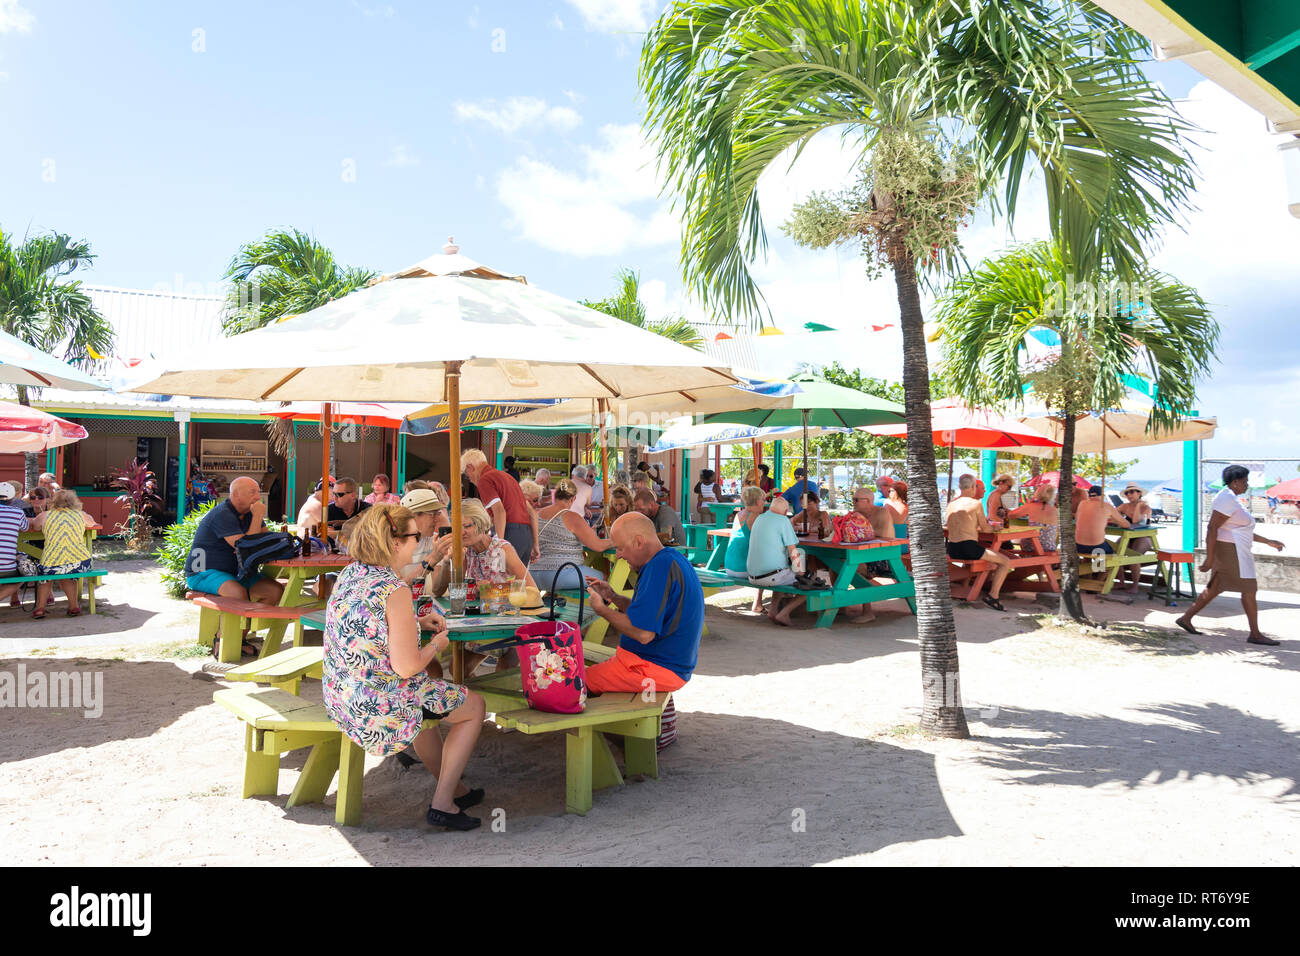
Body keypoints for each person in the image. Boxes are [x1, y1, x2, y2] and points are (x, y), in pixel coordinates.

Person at [321, 505, 486, 831]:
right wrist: (436, 645)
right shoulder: (393, 589)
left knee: (433, 698)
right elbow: (408, 666)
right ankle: (443, 804)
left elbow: (372, 624)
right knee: (474, 706)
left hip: (343, 695)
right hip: (380, 706)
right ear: (394, 543)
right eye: (414, 535)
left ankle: (456, 789)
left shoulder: (352, 573)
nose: (420, 540)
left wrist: (416, 622)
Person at [584, 512, 704, 697]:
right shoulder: (668, 559)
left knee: (572, 683)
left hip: (655, 669)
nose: (618, 555)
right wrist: (614, 597)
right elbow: (648, 614)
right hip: (659, 664)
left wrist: (601, 610)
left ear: (639, 542)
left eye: (620, 548)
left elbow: (643, 633)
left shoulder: (659, 568)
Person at [1176, 464, 1285, 645]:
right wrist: (1210, 558)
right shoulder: (1226, 499)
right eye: (1244, 481)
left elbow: (1241, 530)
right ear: (1234, 482)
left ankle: (1186, 618)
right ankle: (1255, 634)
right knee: (1249, 590)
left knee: (1215, 587)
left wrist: (1268, 541)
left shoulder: (1230, 498)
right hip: (1231, 551)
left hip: (1236, 549)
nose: (1247, 485)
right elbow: (1212, 528)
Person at [184, 476, 285, 609]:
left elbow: (264, 541)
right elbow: (248, 548)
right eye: (252, 492)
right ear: (236, 494)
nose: (257, 497)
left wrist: (248, 544)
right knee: (237, 593)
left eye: (258, 492)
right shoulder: (222, 514)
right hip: (203, 572)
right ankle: (232, 629)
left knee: (273, 591)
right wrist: (256, 520)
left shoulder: (250, 513)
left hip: (236, 573)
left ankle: (246, 625)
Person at [427, 499, 537, 597]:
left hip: (505, 614)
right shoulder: (466, 551)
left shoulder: (502, 550)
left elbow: (532, 590)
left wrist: (493, 589)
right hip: (479, 614)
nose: (461, 532)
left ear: (482, 524)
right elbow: (447, 591)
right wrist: (446, 562)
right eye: (457, 527)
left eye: (467, 526)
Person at [945, 474, 1012, 611]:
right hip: (969, 548)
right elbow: (986, 528)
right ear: (973, 487)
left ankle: (979, 586)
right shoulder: (975, 504)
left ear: (960, 487)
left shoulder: (951, 504)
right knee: (1005, 561)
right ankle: (993, 596)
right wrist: (994, 527)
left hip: (951, 548)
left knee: (991, 560)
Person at [529, 479, 610, 591]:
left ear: (555, 496)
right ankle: (602, 608)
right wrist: (616, 540)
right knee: (605, 579)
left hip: (533, 574)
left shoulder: (538, 514)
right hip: (559, 575)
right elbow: (598, 546)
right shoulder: (572, 517)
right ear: (573, 498)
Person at [461, 449, 538, 564]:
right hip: (526, 536)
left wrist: (499, 544)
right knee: (519, 581)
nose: (470, 480)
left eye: (467, 475)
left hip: (509, 532)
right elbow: (532, 512)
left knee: (501, 580)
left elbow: (499, 511)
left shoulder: (485, 479)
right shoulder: (507, 477)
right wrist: (535, 544)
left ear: (470, 467)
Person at [28, 489, 95, 618]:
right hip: (80, 561)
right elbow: (91, 522)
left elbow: (36, 526)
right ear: (74, 502)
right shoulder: (80, 514)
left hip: (51, 561)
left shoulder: (45, 515)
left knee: (45, 578)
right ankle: (73, 606)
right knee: (69, 575)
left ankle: (40, 608)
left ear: (53, 501)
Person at [746, 496, 807, 625]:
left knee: (783, 573)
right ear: (785, 512)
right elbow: (793, 552)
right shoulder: (783, 520)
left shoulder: (760, 518)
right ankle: (784, 613)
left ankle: (773, 611)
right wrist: (801, 575)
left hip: (752, 576)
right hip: (772, 576)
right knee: (808, 586)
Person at [396, 489, 451, 586]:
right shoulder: (390, 544)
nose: (437, 519)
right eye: (432, 514)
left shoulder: (433, 541)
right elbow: (399, 587)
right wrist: (432, 558)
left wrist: (446, 562)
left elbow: (437, 590)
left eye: (437, 513)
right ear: (412, 516)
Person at [1117, 482, 1155, 590]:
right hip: (1128, 536)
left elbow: (1136, 520)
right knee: (1114, 553)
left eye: (1132, 492)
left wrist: (1138, 506)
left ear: (1139, 493)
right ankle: (1121, 582)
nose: (1129, 495)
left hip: (1144, 537)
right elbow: (1112, 515)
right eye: (1127, 493)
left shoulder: (1146, 508)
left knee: (1134, 557)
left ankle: (1135, 585)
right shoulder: (1124, 506)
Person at [1075, 484, 1129, 557]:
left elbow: (1078, 519)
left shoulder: (1082, 503)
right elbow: (1126, 525)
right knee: (1114, 558)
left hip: (1078, 547)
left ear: (1089, 495)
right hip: (1097, 548)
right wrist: (1114, 520)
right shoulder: (1106, 505)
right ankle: (1109, 568)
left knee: (1095, 552)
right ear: (1102, 495)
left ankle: (1093, 565)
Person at [0, 482, 31, 606]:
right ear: (13, 498)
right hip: (6, 568)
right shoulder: (17, 512)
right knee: (25, 575)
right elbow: (25, 528)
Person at [1007, 484, 1059, 552]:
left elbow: (1010, 515)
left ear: (1037, 493)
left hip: (1031, 547)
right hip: (1049, 547)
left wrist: (1030, 502)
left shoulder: (1031, 506)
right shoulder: (1055, 510)